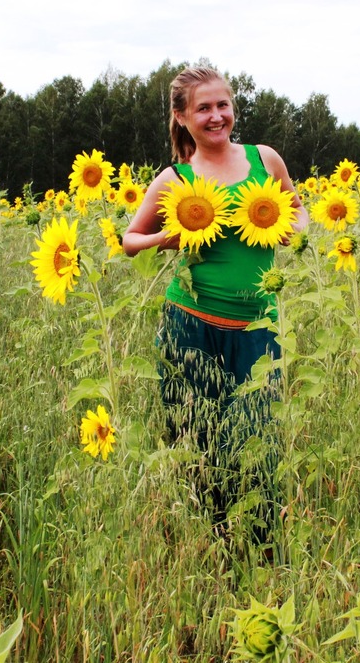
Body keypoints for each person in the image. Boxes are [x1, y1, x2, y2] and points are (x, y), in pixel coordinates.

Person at [122, 65, 308, 547]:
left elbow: (298, 208)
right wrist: (171, 236)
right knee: (199, 444)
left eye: (222, 105)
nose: (216, 116)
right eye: (203, 108)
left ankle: (266, 552)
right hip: (190, 326)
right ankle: (214, 546)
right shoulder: (176, 178)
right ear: (182, 117)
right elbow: (130, 239)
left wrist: (294, 227)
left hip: (257, 328)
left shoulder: (264, 159)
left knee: (260, 442)